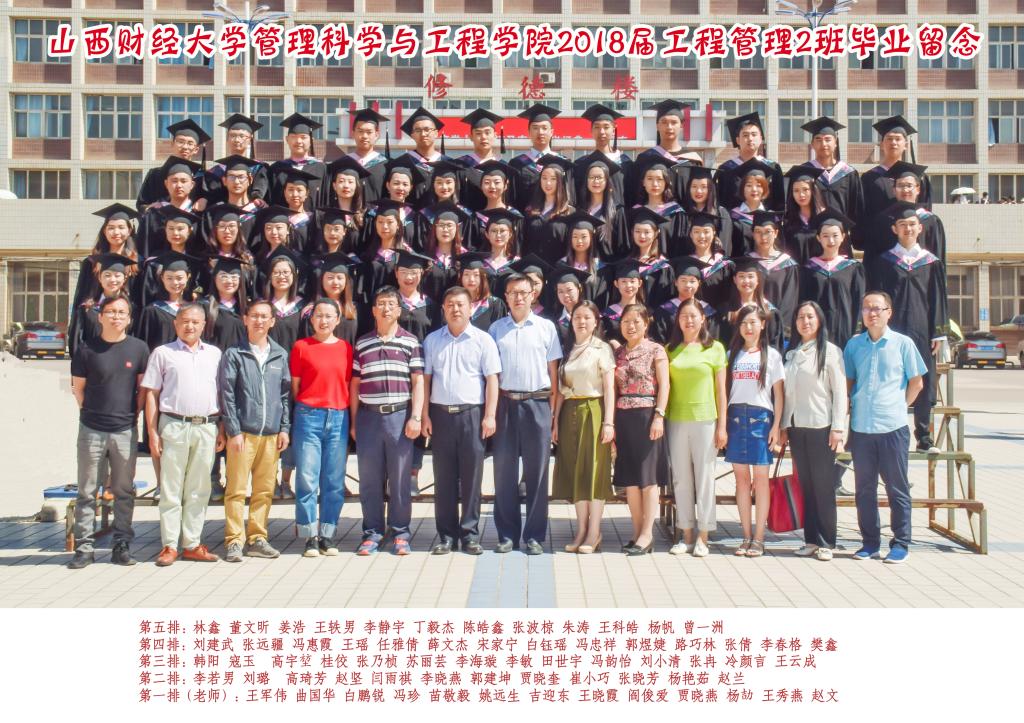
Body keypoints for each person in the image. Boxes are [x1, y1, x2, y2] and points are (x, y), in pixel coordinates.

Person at [844, 291, 927, 564]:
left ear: (889, 312)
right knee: (864, 489)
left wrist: (900, 406)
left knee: (897, 488)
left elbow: (916, 382)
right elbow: (849, 383)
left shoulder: (903, 344)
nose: (872, 313)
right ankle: (869, 543)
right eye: (867, 308)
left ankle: (901, 543)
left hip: (893, 427)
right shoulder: (854, 345)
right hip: (862, 428)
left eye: (877, 308)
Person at [67, 296, 150, 569]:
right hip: (91, 429)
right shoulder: (86, 349)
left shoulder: (139, 349)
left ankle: (121, 544)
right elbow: (78, 389)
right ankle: (84, 548)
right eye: (111, 312)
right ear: (100, 316)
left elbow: (142, 390)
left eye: (121, 312)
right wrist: (90, 413)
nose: (116, 316)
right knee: (87, 491)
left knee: (124, 491)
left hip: (125, 430)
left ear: (129, 318)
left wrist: (132, 416)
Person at [142, 303, 225, 566]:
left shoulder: (214, 354)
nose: (190, 326)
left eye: (195, 322)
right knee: (171, 488)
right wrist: (152, 432)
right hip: (174, 426)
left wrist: (222, 428)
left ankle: (192, 543)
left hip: (206, 426)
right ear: (176, 324)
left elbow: (221, 393)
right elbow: (152, 394)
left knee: (199, 488)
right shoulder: (163, 353)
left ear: (204, 325)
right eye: (185, 321)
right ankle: (169, 545)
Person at [421, 286, 501, 555]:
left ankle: (470, 535)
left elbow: (492, 380)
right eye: (450, 304)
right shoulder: (432, 340)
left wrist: (490, 415)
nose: (455, 309)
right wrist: (424, 414)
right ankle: (446, 536)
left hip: (472, 416)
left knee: (472, 478)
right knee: (443, 479)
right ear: (443, 309)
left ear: (470, 309)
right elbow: (426, 380)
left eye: (460, 304)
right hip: (440, 415)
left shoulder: (483, 340)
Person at [865, 205, 948, 454]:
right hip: (893, 329)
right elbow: (877, 297)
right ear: (895, 229)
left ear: (920, 228)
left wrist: (939, 331)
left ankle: (924, 436)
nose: (908, 229)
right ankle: (888, 431)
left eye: (912, 224)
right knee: (890, 378)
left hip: (923, 330)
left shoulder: (931, 262)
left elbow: (939, 298)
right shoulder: (885, 261)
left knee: (923, 379)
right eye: (903, 225)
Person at [489, 274, 562, 554]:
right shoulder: (496, 329)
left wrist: (552, 414)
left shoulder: (546, 327)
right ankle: (507, 535)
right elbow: (491, 374)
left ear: (533, 295)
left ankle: (534, 536)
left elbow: (553, 374)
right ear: (505, 297)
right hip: (505, 404)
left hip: (537, 404)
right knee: (504, 473)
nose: (518, 297)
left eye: (523, 292)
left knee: (537, 474)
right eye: (512, 292)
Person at [349, 286, 425, 555]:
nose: (386, 308)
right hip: (368, 418)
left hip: (399, 417)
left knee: (400, 479)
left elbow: (418, 382)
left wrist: (416, 416)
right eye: (381, 303)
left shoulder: (411, 342)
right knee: (369, 480)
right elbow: (355, 385)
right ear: (373, 310)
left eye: (391, 304)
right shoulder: (362, 343)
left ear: (399, 310)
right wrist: (354, 422)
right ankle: (372, 532)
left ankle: (400, 532)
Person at [218, 299, 291, 562]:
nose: (259, 321)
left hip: (271, 434)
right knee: (236, 490)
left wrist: (284, 428)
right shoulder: (234, 354)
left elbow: (285, 395)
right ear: (245, 319)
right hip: (243, 434)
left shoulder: (280, 354)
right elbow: (227, 394)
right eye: (254, 316)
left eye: (264, 316)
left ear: (272, 321)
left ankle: (257, 538)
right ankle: (234, 540)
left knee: (264, 490)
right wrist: (233, 430)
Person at [781, 301, 847, 562]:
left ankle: (826, 541)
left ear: (819, 320)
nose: (805, 322)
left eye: (810, 317)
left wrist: (838, 427)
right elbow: (788, 395)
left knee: (823, 486)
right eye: (800, 317)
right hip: (797, 428)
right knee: (806, 486)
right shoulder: (792, 352)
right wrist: (784, 426)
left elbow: (840, 392)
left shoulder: (830, 351)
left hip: (822, 427)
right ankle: (810, 539)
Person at [289, 298, 353, 556]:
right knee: (307, 478)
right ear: (311, 319)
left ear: (337, 320)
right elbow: (295, 386)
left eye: (329, 316)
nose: (323, 320)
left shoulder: (346, 348)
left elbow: (347, 384)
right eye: (319, 315)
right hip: (308, 416)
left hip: (338, 417)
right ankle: (309, 535)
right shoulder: (301, 347)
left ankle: (327, 534)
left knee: (334, 479)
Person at [664, 298, 728, 557]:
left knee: (705, 478)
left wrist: (722, 426)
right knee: (681, 479)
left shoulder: (715, 348)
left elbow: (721, 392)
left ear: (703, 319)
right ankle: (686, 534)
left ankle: (704, 535)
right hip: (676, 419)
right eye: (683, 316)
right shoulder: (670, 350)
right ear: (677, 321)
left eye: (693, 316)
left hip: (705, 420)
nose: (688, 320)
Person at [553, 300, 616, 554]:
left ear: (595, 321)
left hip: (594, 410)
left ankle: (594, 531)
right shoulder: (567, 349)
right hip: (570, 412)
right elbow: (561, 391)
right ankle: (581, 529)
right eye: (577, 317)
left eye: (587, 317)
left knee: (594, 471)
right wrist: (555, 421)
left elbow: (609, 388)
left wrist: (609, 422)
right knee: (576, 471)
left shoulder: (602, 348)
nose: (581, 321)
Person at [724, 305, 785, 559]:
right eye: (744, 323)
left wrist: (776, 426)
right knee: (741, 480)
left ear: (763, 324)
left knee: (761, 480)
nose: (748, 327)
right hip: (736, 418)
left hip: (761, 419)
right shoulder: (731, 354)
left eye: (753, 322)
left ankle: (759, 538)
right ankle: (745, 535)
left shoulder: (773, 356)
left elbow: (779, 395)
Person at [612, 304, 670, 556]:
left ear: (646, 324)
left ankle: (648, 534)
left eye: (636, 321)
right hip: (623, 417)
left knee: (648, 478)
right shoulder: (618, 353)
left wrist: (659, 415)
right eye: (626, 321)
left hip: (648, 416)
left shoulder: (656, 350)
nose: (631, 326)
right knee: (631, 480)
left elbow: (665, 385)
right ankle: (636, 532)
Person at [798, 209, 865, 351]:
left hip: (845, 329)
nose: (831, 241)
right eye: (825, 236)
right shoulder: (809, 268)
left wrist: (857, 329)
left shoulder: (853, 268)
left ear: (843, 237)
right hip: (816, 330)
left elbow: (858, 300)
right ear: (818, 238)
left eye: (835, 235)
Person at [715, 112, 785, 213]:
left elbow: (779, 203)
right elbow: (722, 202)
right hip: (734, 221)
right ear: (737, 140)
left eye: (754, 134)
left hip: (766, 221)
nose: (750, 138)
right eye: (745, 135)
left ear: (760, 139)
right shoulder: (726, 169)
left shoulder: (773, 168)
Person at [137, 120, 209, 213]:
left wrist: (206, 199)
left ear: (196, 150)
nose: (185, 147)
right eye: (181, 142)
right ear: (172, 144)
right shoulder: (155, 174)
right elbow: (141, 204)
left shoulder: (202, 177)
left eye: (190, 143)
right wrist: (149, 208)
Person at [509, 104, 571, 212]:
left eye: (544, 128)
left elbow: (569, 196)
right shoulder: (517, 164)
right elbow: (512, 198)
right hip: (527, 219)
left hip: (557, 217)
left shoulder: (563, 162)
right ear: (529, 132)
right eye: (535, 128)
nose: (540, 132)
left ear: (551, 132)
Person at [802, 116, 864, 222]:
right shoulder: (804, 172)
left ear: (835, 143)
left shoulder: (849, 173)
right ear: (812, 144)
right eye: (818, 139)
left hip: (841, 231)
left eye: (828, 139)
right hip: (812, 231)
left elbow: (857, 210)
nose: (823, 144)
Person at [202, 114, 269, 206]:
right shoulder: (214, 172)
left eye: (242, 136)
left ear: (250, 138)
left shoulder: (259, 168)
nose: (237, 140)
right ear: (227, 138)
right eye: (232, 136)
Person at [268, 113, 327, 209]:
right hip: (282, 218)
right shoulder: (276, 169)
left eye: (303, 137)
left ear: (311, 140)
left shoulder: (321, 168)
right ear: (287, 139)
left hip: (314, 218)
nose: (298, 141)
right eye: (293, 137)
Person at [396, 107, 450, 208]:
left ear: (436, 133)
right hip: (410, 216)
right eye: (418, 130)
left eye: (427, 129)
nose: (423, 134)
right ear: (412, 135)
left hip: (442, 215)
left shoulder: (449, 163)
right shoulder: (400, 163)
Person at [344, 107, 391, 205]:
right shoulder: (343, 163)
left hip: (378, 214)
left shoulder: (387, 165)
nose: (364, 136)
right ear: (353, 133)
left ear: (377, 135)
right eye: (360, 131)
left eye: (369, 132)